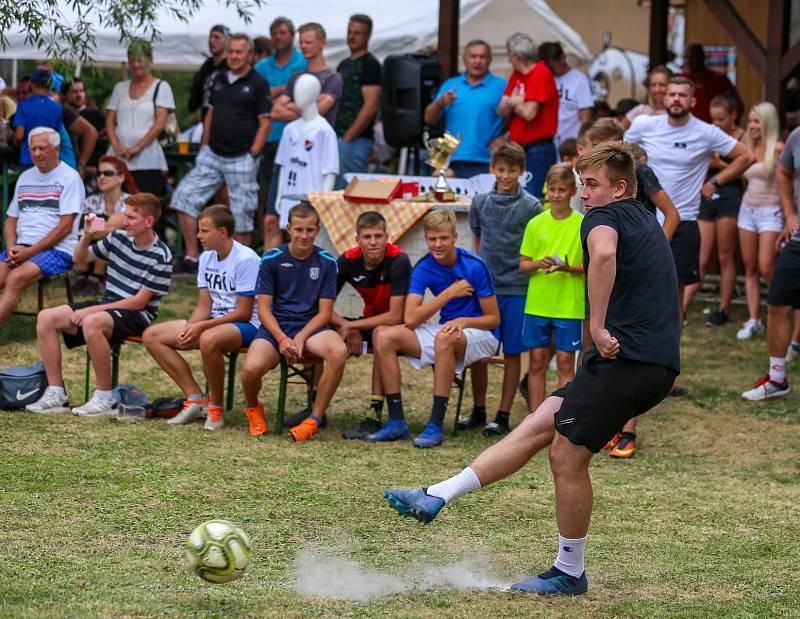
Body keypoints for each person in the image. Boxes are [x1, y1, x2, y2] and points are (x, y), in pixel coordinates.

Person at [383, 142, 680, 597]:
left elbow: (601, 256)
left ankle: (569, 571)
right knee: (541, 422)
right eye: (583, 183)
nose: (584, 193)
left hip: (629, 360)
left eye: (593, 184)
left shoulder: (605, 217)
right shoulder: (642, 214)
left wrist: (596, 327)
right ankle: (438, 493)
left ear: (620, 188)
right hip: (646, 360)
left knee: (566, 454)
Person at [26, 193, 172, 416]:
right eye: (125, 215)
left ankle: (105, 397)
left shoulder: (162, 255)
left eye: (131, 217)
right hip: (109, 304)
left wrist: (90, 310)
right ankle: (56, 393)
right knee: (46, 317)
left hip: (138, 314)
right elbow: (79, 260)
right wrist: (87, 236)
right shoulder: (118, 238)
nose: (124, 222)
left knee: (92, 321)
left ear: (149, 221)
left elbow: (139, 301)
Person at [366, 210, 500, 448]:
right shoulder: (424, 267)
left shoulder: (474, 265)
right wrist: (449, 293)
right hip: (446, 330)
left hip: (482, 334)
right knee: (383, 334)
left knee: (443, 338)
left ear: (455, 237)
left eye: (443, 238)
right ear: (426, 239)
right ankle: (397, 421)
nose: (437, 245)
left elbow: (493, 319)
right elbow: (410, 319)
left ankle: (435, 424)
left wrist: (464, 321)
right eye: (432, 239)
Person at [624, 77, 753, 326]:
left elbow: (745, 157)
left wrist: (716, 182)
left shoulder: (706, 132)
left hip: (684, 221)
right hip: (645, 219)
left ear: (692, 101)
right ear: (663, 98)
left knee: (674, 298)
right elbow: (619, 153)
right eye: (672, 94)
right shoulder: (643, 124)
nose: (676, 99)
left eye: (682, 95)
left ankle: (670, 360)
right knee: (636, 290)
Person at [143, 205, 260, 432]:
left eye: (204, 231)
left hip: (246, 326)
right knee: (152, 335)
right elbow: (205, 305)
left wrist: (202, 327)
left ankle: (216, 407)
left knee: (208, 338)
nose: (198, 236)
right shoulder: (206, 258)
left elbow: (245, 312)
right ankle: (196, 398)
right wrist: (191, 326)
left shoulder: (246, 259)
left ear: (222, 232)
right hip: (215, 322)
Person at [240, 203, 346, 442]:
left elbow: (325, 313)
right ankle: (253, 407)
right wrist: (282, 338)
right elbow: (264, 310)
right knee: (250, 371)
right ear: (288, 228)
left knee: (339, 351)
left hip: (312, 327)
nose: (304, 236)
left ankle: (313, 419)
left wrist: (300, 337)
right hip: (275, 328)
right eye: (299, 229)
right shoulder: (271, 258)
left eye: (310, 230)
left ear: (318, 229)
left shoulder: (328, 261)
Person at [171, 33, 271, 273]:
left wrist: (252, 155)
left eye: (240, 52)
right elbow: (210, 114)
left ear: (250, 55)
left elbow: (265, 123)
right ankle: (193, 257)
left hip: (242, 157)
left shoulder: (258, 83)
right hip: (212, 154)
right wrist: (204, 146)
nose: (234, 56)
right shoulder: (218, 79)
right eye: (231, 51)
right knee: (183, 198)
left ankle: (240, 265)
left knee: (243, 212)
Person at [462, 142, 542, 436]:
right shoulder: (480, 202)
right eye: (500, 169)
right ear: (492, 169)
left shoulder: (531, 206)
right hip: (486, 289)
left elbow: (534, 247)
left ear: (521, 172)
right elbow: (477, 241)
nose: (505, 175)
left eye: (511, 171)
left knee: (512, 353)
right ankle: (478, 409)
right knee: (478, 351)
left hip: (518, 288)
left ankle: (503, 414)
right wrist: (478, 277)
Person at [328, 211, 412, 439]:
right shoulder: (348, 260)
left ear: (387, 237)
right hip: (370, 321)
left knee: (381, 335)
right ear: (357, 239)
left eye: (378, 236)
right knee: (321, 332)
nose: (373, 242)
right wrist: (344, 326)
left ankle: (374, 415)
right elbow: (323, 306)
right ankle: (315, 405)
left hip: (398, 326)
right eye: (367, 237)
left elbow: (396, 316)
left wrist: (353, 327)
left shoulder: (399, 260)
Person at [740, 123, 800, 400]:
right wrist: (790, 214)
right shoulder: (797, 136)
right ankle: (777, 378)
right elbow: (784, 173)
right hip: (797, 238)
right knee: (777, 300)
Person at [0, 127, 83, 326]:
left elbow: (65, 227)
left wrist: (30, 252)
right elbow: (11, 219)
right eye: (33, 148)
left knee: (15, 278)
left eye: (42, 148)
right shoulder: (25, 177)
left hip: (58, 249)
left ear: (57, 148)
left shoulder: (70, 178)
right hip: (22, 246)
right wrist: (12, 246)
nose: (37, 153)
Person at [519, 162, 584, 412]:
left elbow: (592, 266)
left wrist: (569, 268)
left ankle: (561, 417)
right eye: (552, 189)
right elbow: (523, 265)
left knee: (566, 362)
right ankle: (536, 418)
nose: (556, 195)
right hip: (538, 302)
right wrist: (538, 263)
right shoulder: (536, 223)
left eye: (562, 190)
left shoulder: (581, 224)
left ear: (572, 192)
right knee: (537, 361)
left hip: (568, 304)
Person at [683, 94, 745, 326]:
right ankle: (683, 307)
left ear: (733, 116)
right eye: (713, 119)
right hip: (706, 197)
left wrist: (719, 165)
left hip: (729, 196)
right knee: (701, 255)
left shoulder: (741, 137)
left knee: (725, 255)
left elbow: (747, 167)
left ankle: (723, 308)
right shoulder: (709, 135)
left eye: (720, 119)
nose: (716, 123)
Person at [255, 17, 309, 250]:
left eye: (283, 33)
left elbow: (303, 100)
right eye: (274, 33)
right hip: (269, 138)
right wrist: (284, 89)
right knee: (268, 198)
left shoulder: (303, 63)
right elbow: (258, 98)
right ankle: (270, 248)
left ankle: (295, 247)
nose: (278, 37)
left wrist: (272, 95)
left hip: (298, 141)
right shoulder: (261, 67)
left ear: (292, 35)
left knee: (296, 199)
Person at [735, 102, 784, 341]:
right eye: (750, 121)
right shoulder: (748, 148)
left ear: (768, 123)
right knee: (750, 267)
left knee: (767, 266)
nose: (752, 126)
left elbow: (788, 183)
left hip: (771, 212)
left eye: (757, 121)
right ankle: (754, 319)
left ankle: (784, 310)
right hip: (747, 210)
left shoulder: (779, 149)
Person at [423, 39, 506, 179]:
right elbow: (428, 118)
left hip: (487, 159)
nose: (477, 61)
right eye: (473, 56)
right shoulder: (450, 84)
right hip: (448, 158)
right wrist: (441, 102)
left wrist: (504, 137)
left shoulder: (502, 86)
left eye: (482, 57)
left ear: (489, 60)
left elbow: (516, 120)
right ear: (464, 59)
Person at [586, 118, 679, 241]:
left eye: (599, 146)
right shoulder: (596, 171)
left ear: (617, 142)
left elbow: (672, 214)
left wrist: (658, 250)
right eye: (593, 146)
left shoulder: (639, 170)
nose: (595, 151)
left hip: (641, 243)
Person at [105, 41, 176, 196]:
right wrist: (116, 145)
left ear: (149, 60)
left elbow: (160, 122)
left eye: (139, 60)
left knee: (144, 207)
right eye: (132, 60)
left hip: (147, 159)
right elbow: (110, 120)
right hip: (118, 158)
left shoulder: (161, 86)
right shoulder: (120, 87)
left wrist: (137, 147)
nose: (135, 65)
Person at [498, 32, 558, 199]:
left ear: (516, 56)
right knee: (515, 196)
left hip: (537, 149)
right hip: (518, 147)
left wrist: (512, 102)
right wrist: (517, 101)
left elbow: (529, 114)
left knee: (532, 198)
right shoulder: (517, 74)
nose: (508, 59)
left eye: (509, 55)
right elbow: (501, 109)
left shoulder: (540, 72)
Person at [74, 155, 140, 296]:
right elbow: (82, 230)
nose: (101, 177)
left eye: (108, 173)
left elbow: (100, 231)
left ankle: (97, 276)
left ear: (121, 178)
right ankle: (83, 274)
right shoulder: (90, 201)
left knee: (110, 235)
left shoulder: (131, 202)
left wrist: (97, 227)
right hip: (94, 248)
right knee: (84, 235)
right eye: (99, 174)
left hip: (127, 251)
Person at [334, 14, 382, 188]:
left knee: (352, 191)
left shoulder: (371, 65)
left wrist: (348, 137)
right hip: (340, 137)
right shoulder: (343, 64)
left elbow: (370, 106)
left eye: (358, 33)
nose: (352, 37)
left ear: (368, 36)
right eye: (349, 32)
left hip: (356, 140)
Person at [271, 22, 343, 128]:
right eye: (301, 42)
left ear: (322, 43)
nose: (303, 46)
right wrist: (313, 103)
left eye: (308, 42)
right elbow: (276, 112)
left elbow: (320, 111)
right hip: (295, 139)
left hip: (321, 141)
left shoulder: (333, 78)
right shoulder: (296, 77)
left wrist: (290, 105)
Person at [537, 42, 593, 153]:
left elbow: (585, 113)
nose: (549, 71)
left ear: (562, 59)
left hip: (570, 143)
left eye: (551, 67)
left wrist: (582, 141)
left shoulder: (579, 79)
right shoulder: (544, 78)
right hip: (546, 143)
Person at [12, 69, 63, 168]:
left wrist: (13, 140)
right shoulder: (57, 107)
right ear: (50, 85)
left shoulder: (23, 105)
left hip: (29, 158)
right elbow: (57, 134)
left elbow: (19, 136)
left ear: (31, 84)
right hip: (50, 159)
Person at [681, 43, 739, 124]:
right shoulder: (680, 79)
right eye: (685, 57)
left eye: (693, 57)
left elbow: (737, 106)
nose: (688, 61)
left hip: (714, 130)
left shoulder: (719, 80)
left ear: (702, 57)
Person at [188, 25, 230, 120]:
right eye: (210, 37)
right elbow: (195, 98)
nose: (211, 41)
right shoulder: (206, 67)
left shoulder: (232, 67)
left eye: (217, 37)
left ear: (228, 41)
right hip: (206, 121)